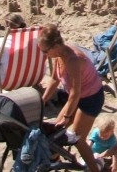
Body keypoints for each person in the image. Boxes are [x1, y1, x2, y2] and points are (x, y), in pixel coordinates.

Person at [38, 24, 104, 172]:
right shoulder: (59, 54)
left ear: (55, 46)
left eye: (44, 51)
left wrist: (67, 116)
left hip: (91, 99)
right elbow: (55, 80)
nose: (43, 54)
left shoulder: (73, 60)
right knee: (55, 133)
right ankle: (65, 164)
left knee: (78, 139)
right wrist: (42, 101)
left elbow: (75, 92)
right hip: (76, 98)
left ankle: (94, 169)